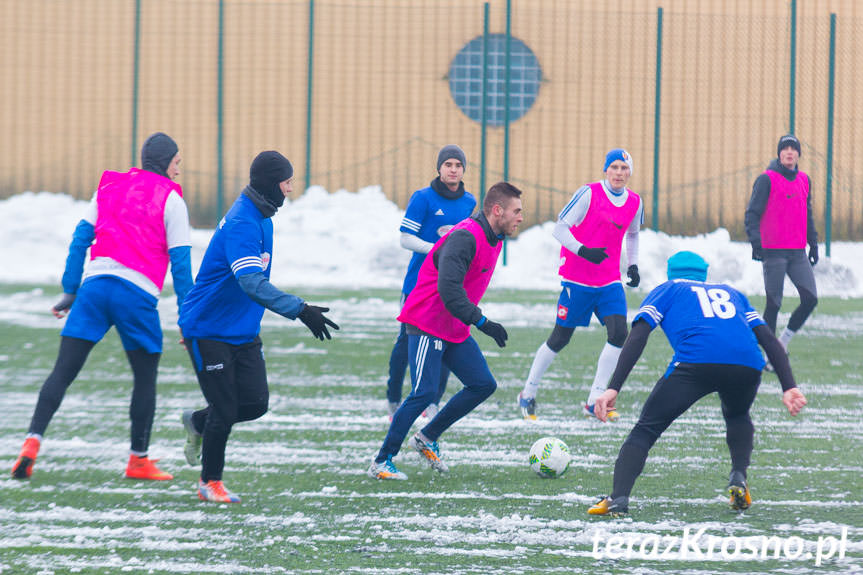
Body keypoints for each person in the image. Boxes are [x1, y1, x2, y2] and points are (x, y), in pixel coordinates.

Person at [11, 132, 193, 481]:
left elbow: (81, 239)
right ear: (167, 163)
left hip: (94, 288)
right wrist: (189, 319)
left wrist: (70, 290)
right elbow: (182, 267)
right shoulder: (172, 200)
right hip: (135, 296)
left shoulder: (108, 187)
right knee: (144, 377)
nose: (179, 170)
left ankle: (32, 442)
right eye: (177, 163)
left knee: (62, 372)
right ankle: (138, 460)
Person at [586, 251, 807, 516]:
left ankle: (618, 499)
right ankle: (738, 476)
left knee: (645, 430)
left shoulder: (668, 288)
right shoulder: (731, 293)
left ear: (671, 272)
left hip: (696, 363)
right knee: (737, 415)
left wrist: (613, 387)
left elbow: (639, 335)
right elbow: (769, 340)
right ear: (704, 275)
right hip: (747, 364)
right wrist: (788, 385)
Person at [178, 150, 339, 503]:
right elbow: (251, 282)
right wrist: (301, 310)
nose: (290, 189)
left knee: (254, 403)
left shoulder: (264, 216)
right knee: (225, 408)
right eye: (287, 182)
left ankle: (197, 423)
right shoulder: (243, 222)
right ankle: (210, 483)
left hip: (242, 329)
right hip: (208, 329)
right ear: (271, 184)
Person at [368, 182, 523, 480]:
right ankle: (382, 460)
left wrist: (473, 320)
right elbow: (449, 291)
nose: (520, 218)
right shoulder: (465, 237)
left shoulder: (495, 237)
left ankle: (427, 437)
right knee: (424, 392)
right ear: (497, 210)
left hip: (452, 324)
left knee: (482, 384)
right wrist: (483, 322)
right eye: (516, 211)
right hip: (427, 321)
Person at [518, 149, 642, 421]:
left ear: (630, 173)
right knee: (560, 338)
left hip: (609, 280)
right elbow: (559, 228)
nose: (619, 173)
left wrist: (632, 265)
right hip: (578, 279)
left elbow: (632, 235)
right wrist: (583, 250)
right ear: (606, 170)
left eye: (624, 168)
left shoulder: (635, 201)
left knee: (619, 333)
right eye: (615, 167)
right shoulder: (588, 193)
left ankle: (594, 401)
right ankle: (527, 393)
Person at [386, 145, 477, 420]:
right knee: (406, 341)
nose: (453, 169)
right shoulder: (422, 198)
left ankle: (433, 401)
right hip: (417, 285)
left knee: (447, 338)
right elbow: (405, 238)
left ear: (463, 170)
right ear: (439, 168)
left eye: (458, 165)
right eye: (448, 164)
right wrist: (438, 249)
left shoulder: (470, 203)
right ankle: (393, 399)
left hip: (451, 286)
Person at [744, 134, 818, 368]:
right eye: (784, 149)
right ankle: (768, 356)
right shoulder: (767, 179)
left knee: (810, 298)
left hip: (797, 252)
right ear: (779, 153)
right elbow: (752, 215)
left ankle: (782, 342)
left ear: (798, 154)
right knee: (773, 304)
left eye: (793, 149)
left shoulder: (804, 180)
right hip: (773, 251)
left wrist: (813, 243)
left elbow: (807, 214)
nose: (789, 152)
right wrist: (757, 244)